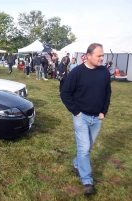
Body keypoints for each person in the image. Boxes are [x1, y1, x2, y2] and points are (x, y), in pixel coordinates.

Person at [60, 43, 112, 196]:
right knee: (84, 148)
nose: (102, 58)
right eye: (99, 56)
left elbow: (107, 92)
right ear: (88, 56)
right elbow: (65, 93)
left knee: (87, 148)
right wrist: (76, 112)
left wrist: (104, 111)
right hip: (81, 117)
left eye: (103, 55)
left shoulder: (104, 72)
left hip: (97, 118)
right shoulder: (77, 72)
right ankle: (87, 180)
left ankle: (77, 164)